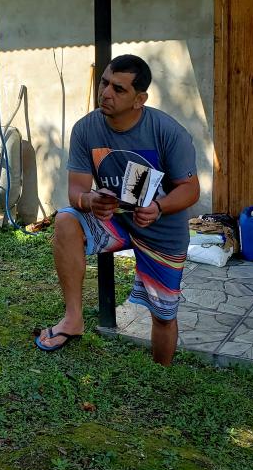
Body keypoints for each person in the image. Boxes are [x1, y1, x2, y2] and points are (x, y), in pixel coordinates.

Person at [35, 55, 199, 366]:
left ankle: (161, 372)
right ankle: (73, 319)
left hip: (161, 229)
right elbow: (76, 191)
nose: (106, 93)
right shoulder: (86, 129)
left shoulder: (167, 131)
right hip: (115, 222)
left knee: (164, 315)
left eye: (118, 89)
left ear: (140, 99)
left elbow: (190, 189)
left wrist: (158, 207)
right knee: (67, 219)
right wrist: (91, 200)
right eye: (104, 83)